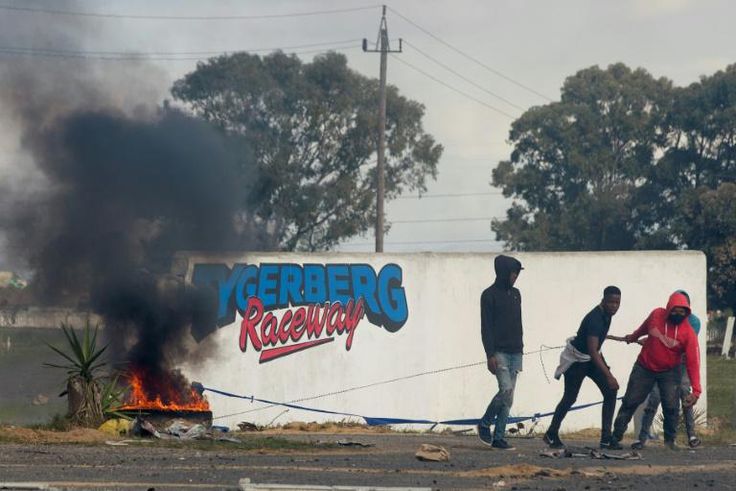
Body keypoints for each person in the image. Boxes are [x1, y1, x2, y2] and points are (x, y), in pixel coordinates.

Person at [608, 291, 701, 450]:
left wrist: (697, 390)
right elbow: (644, 328)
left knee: (671, 407)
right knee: (630, 402)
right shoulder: (656, 315)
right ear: (668, 308)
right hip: (644, 366)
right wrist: (632, 337)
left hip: (670, 372)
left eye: (682, 312)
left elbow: (693, 362)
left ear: (687, 312)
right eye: (675, 311)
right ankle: (615, 438)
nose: (678, 314)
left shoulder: (688, 332)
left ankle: (670, 443)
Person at [543, 286, 622, 449]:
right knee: (570, 397)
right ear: (603, 301)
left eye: (617, 302)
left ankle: (606, 438)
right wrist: (609, 375)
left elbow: (597, 347)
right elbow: (593, 350)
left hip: (591, 358)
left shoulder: (608, 315)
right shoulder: (595, 318)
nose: (614, 306)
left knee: (610, 390)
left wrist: (606, 367)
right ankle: (551, 433)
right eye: (611, 302)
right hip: (576, 361)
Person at [478, 255, 524, 450]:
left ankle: (499, 437)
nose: (515, 278)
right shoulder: (488, 295)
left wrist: (521, 347)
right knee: (505, 389)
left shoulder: (516, 294)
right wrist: (490, 354)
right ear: (504, 273)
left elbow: (518, 323)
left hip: (516, 351)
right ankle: (484, 423)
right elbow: (486, 327)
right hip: (499, 351)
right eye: (513, 274)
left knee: (509, 397)